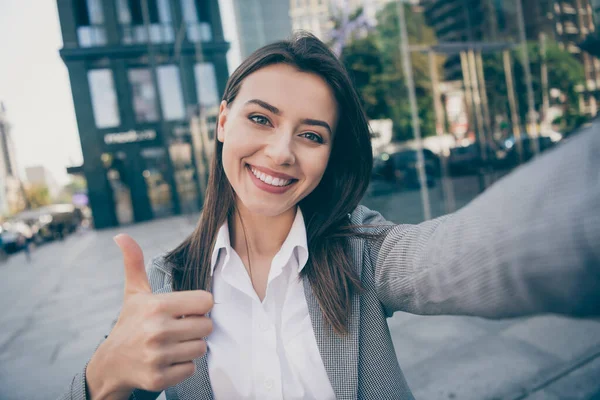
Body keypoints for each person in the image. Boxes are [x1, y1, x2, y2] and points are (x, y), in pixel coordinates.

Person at [61, 33, 599, 400]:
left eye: (311, 134)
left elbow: (480, 249)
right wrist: (103, 376)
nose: (281, 152)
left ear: (330, 153)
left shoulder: (364, 251)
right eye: (260, 119)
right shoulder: (167, 283)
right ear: (223, 121)